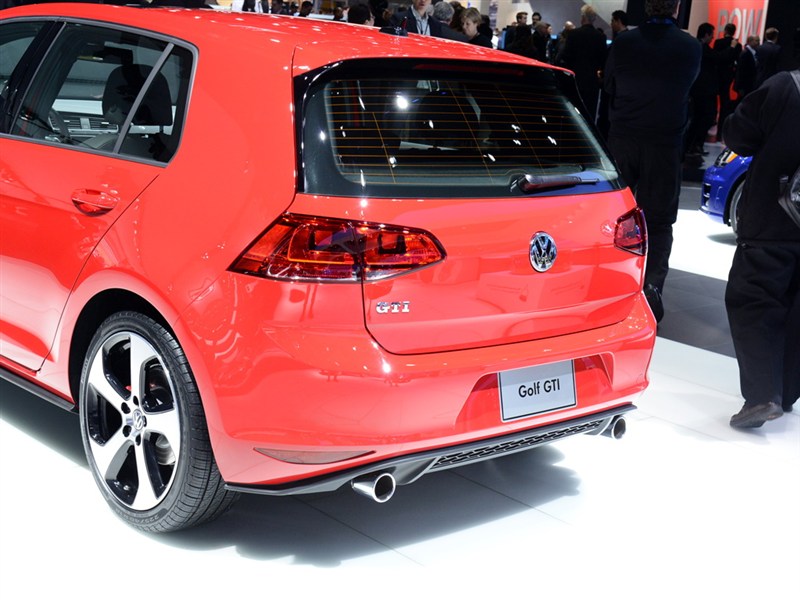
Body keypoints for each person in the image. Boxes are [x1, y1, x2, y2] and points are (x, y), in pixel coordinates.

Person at [603, 0, 701, 321]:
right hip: (664, 143)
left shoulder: (624, 42)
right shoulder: (690, 47)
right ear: (676, 8)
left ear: (646, 7)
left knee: (614, 216)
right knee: (659, 222)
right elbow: (692, 93)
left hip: (624, 138)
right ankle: (651, 293)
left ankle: (610, 287)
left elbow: (609, 87)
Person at [723, 69, 800, 428]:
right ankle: (785, 393)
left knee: (753, 302)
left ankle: (762, 396)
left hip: (772, 220)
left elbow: (738, 136)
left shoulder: (786, 86)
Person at [559, 4, 607, 122]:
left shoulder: (573, 34)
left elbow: (566, 56)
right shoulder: (600, 37)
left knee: (573, 115)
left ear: (583, 17)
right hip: (592, 82)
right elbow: (603, 60)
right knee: (589, 115)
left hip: (575, 81)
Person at [685, 23, 717, 159]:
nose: (713, 38)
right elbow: (718, 57)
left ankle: (693, 146)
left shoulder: (695, 46)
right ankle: (692, 146)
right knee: (702, 118)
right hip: (702, 91)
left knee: (698, 119)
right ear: (707, 34)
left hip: (698, 89)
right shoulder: (702, 48)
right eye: (711, 35)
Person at [713, 23, 742, 138]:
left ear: (725, 31)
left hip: (716, 75)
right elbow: (738, 62)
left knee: (712, 101)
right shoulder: (738, 45)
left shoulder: (718, 42)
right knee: (724, 104)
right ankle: (720, 132)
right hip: (728, 76)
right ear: (734, 32)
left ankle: (711, 123)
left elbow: (716, 58)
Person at [734, 35, 759, 100]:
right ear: (750, 41)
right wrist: (740, 87)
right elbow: (740, 71)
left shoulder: (753, 52)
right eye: (756, 41)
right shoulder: (745, 53)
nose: (758, 43)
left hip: (749, 84)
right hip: (744, 85)